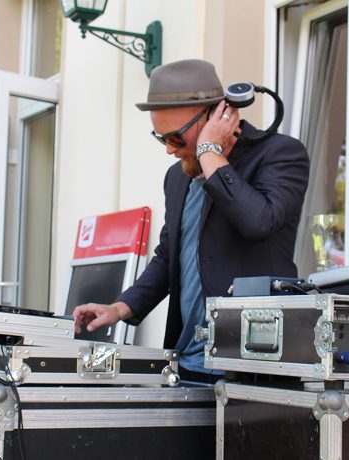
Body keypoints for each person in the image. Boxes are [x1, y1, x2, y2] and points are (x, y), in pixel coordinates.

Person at [73, 59, 309, 382]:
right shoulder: (176, 177)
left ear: (216, 116)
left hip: (254, 366)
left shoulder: (281, 154)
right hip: (188, 363)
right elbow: (168, 257)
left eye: (176, 138)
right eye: (161, 138)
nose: (169, 150)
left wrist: (210, 151)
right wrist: (119, 308)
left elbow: (259, 222)